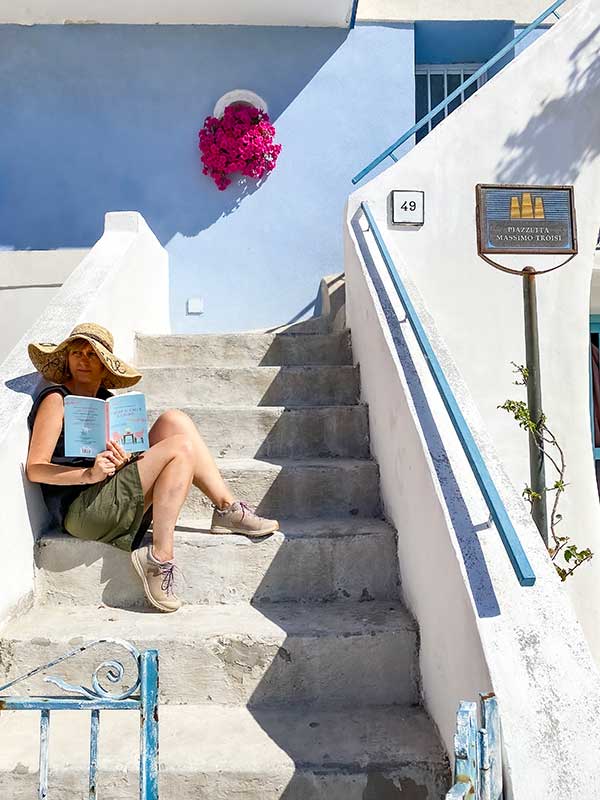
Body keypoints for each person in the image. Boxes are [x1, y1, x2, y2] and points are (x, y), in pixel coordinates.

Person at [26, 323, 279, 613]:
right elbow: (35, 469)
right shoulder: (56, 400)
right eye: (77, 353)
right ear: (67, 359)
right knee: (180, 448)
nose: (83, 360)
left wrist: (122, 459)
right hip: (81, 511)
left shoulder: (108, 403)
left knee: (175, 421)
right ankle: (160, 558)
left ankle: (226, 508)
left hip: (108, 494)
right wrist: (88, 474)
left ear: (105, 364)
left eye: (92, 354)